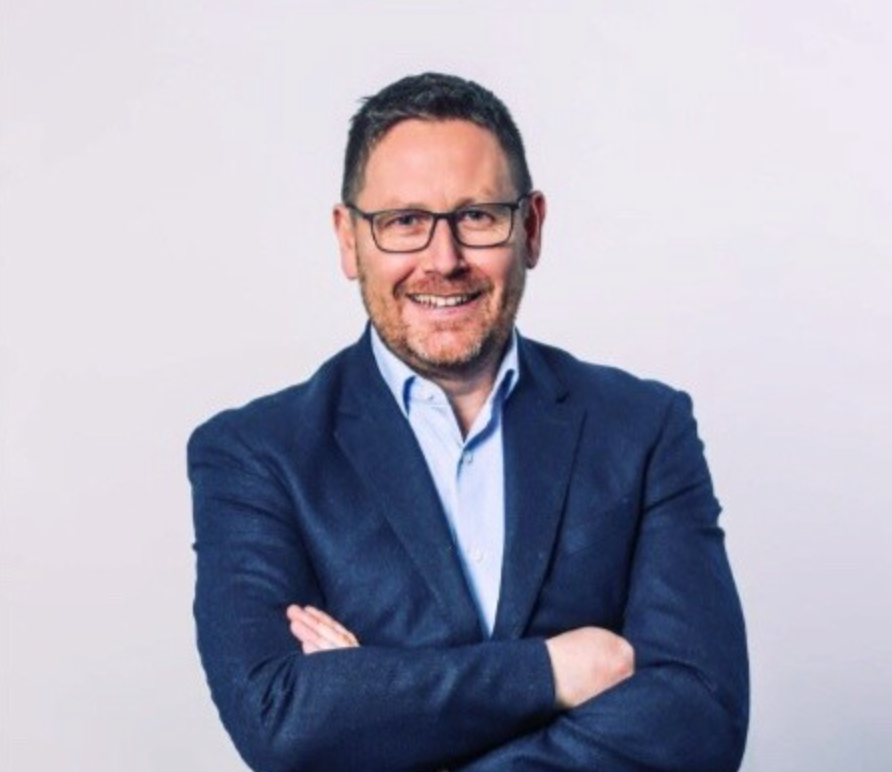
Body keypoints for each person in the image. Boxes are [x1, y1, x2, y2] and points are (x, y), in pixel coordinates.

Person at [188, 72, 749, 772]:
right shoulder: (255, 455)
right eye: (403, 221)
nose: (444, 260)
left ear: (531, 228)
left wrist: (379, 702)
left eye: (478, 216)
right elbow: (282, 719)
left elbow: (700, 720)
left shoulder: (644, 429)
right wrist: (551, 672)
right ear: (348, 240)